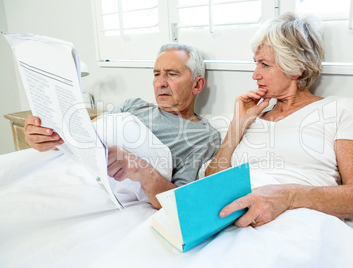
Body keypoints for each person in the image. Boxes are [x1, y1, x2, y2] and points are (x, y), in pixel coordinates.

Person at [205, 12, 353, 227]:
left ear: (296, 68)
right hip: (236, 222)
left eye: (264, 64)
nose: (254, 75)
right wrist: (236, 127)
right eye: (255, 63)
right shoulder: (250, 118)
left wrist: (287, 196)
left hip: (298, 223)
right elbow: (210, 186)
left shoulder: (338, 109)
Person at [23, 43, 221, 209]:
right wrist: (46, 137)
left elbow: (180, 201)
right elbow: (84, 133)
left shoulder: (202, 135)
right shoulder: (133, 105)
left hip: (113, 195)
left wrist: (141, 170)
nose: (160, 83)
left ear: (197, 85)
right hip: (75, 176)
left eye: (171, 74)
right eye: (156, 74)